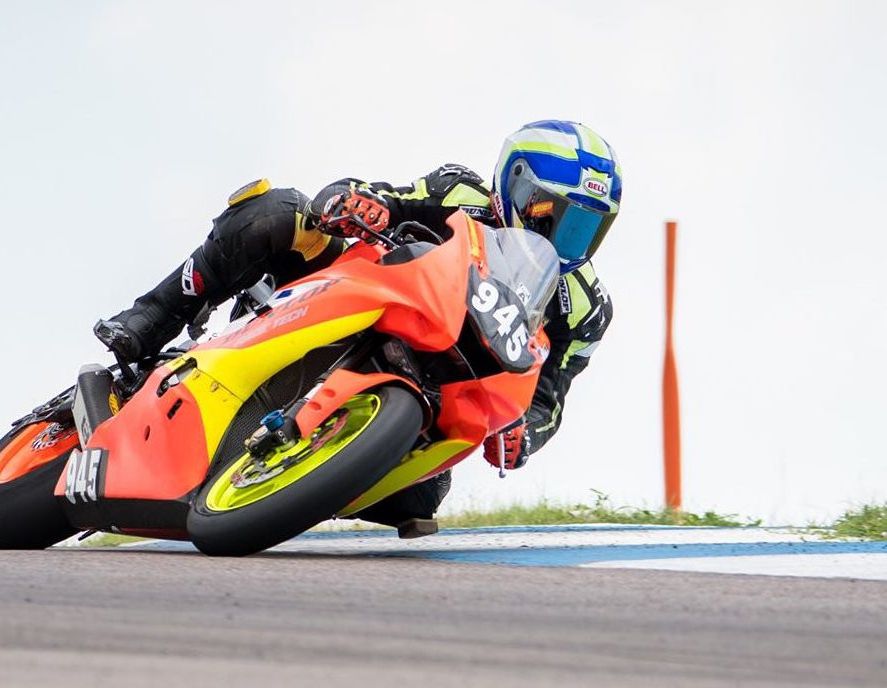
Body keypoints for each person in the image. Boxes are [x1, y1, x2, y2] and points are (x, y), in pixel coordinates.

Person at [94, 120, 620, 531]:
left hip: (435, 395)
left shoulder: (584, 308)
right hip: (354, 298)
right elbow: (372, 194)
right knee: (281, 213)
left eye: (587, 227)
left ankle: (295, 480)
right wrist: (351, 201)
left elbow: (548, 400)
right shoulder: (458, 193)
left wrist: (523, 435)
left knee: (421, 499)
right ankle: (152, 318)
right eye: (557, 216)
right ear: (516, 183)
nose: (567, 237)